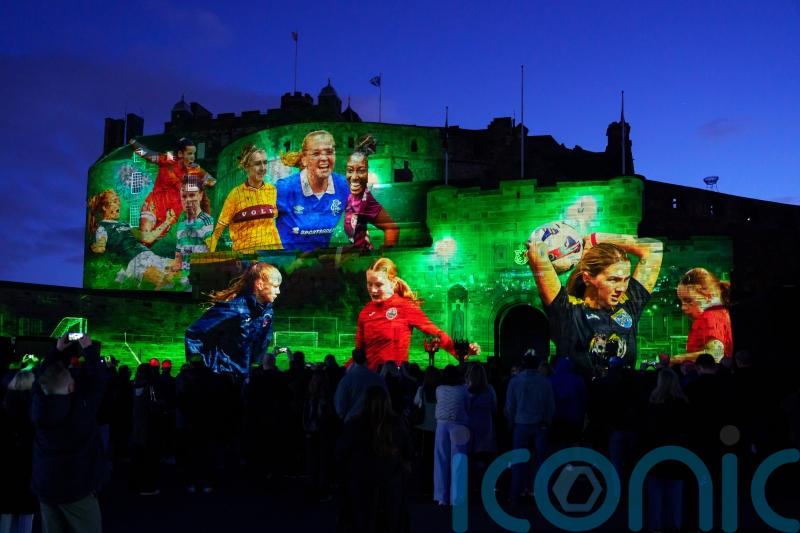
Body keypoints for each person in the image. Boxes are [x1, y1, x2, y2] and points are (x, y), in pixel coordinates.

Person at [528, 231, 663, 376]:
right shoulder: (568, 312)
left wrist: (596, 238)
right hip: (582, 398)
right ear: (587, 278)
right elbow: (536, 250)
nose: (622, 288)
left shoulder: (629, 306)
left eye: (626, 279)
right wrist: (564, 248)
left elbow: (654, 247)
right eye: (613, 280)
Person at [31, 334, 109, 533]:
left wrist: (56, 352)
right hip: (76, 488)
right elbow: (99, 382)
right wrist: (90, 350)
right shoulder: (79, 415)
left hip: (46, 485)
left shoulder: (38, 409)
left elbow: (41, 379)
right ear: (70, 387)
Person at [356, 258, 479, 370]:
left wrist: (461, 353)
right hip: (369, 381)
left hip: (395, 380)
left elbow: (436, 333)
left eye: (378, 284)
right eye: (369, 284)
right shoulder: (365, 312)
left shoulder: (405, 307)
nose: (372, 289)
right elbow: (359, 351)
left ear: (393, 283)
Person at [184, 262, 281, 377]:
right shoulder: (235, 308)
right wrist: (200, 368)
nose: (278, 291)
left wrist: (256, 366)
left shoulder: (267, 312)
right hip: (223, 377)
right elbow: (194, 333)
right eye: (275, 286)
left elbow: (264, 340)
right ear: (260, 285)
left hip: (246, 377)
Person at [87, 189, 178, 289]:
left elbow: (148, 238)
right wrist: (98, 247)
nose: (119, 205)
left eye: (118, 201)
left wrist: (167, 221)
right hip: (134, 262)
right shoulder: (103, 227)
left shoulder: (125, 224)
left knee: (178, 271)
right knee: (163, 282)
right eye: (114, 201)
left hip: (149, 255)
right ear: (104, 207)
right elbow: (101, 244)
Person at [129, 137, 215, 241]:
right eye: (189, 153)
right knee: (145, 238)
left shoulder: (195, 169)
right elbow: (147, 154)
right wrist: (134, 143)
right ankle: (126, 233)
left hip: (170, 216)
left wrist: (206, 181)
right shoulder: (169, 159)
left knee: (151, 243)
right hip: (153, 205)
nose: (193, 157)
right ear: (180, 154)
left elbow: (212, 180)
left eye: (194, 154)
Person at [276, 130, 349, 252]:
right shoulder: (284, 188)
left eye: (329, 152)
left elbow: (383, 221)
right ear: (304, 159)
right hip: (287, 266)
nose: (324, 158)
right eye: (316, 153)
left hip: (321, 264)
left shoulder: (343, 185)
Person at [207, 144, 281, 252]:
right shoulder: (235, 194)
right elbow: (221, 225)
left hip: (269, 254)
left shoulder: (272, 190)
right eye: (257, 164)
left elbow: (272, 225)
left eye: (265, 163)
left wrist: (280, 252)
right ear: (246, 167)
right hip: (245, 256)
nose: (263, 168)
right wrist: (211, 248)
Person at [342, 139, 399, 251]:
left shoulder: (366, 199)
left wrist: (386, 255)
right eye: (350, 170)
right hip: (346, 257)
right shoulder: (346, 195)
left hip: (360, 261)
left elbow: (392, 228)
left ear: (368, 173)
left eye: (361, 171)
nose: (354, 177)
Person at [671, 268, 733, 363]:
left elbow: (716, 354)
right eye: (681, 301)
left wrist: (677, 359)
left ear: (707, 296)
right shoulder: (722, 313)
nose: (683, 307)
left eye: (688, 300)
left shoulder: (710, 317)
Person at [433, 365, 470, 507]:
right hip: (459, 425)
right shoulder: (463, 390)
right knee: (459, 462)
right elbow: (467, 406)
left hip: (442, 425)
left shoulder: (439, 389)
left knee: (441, 461)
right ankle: (457, 498)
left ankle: (441, 497)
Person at [173, 177, 214, 285]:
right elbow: (178, 258)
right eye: (184, 196)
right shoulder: (181, 226)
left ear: (200, 195)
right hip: (185, 285)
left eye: (191, 195)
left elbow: (214, 255)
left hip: (202, 283)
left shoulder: (207, 222)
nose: (187, 200)